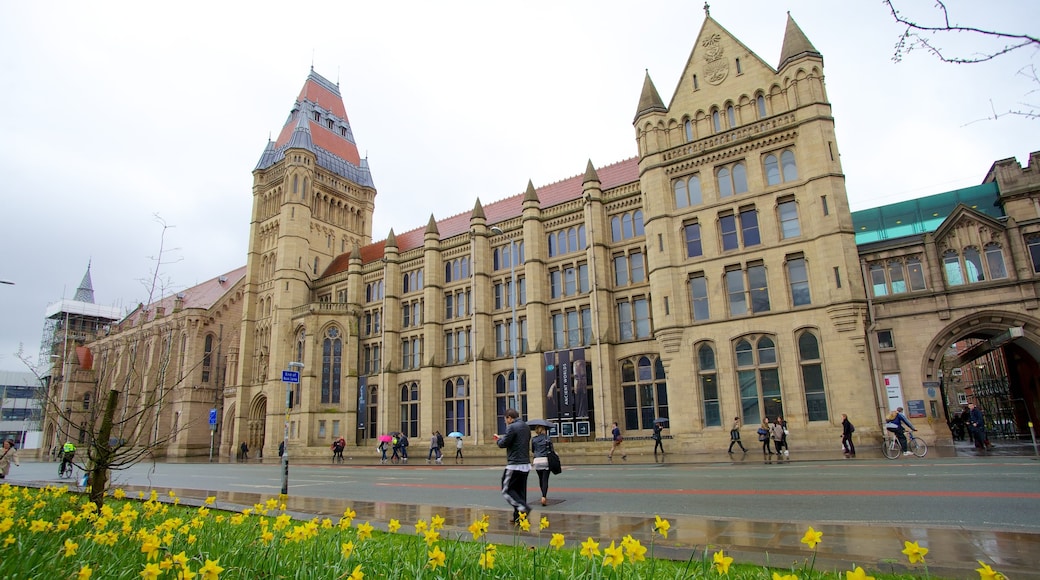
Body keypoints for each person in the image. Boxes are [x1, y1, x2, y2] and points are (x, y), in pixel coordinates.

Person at [494, 408, 531, 523]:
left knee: (507, 489)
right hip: (525, 463)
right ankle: (519, 518)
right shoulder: (526, 426)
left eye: (506, 419)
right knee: (520, 491)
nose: (505, 422)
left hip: (514, 464)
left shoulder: (512, 427)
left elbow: (504, 443)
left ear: (509, 418)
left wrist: (498, 440)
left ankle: (522, 507)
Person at [531, 424, 553, 506]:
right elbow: (551, 449)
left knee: (540, 479)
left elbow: (533, 450)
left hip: (537, 460)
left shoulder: (534, 439)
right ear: (543, 430)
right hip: (545, 460)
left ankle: (542, 494)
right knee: (545, 479)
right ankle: (544, 496)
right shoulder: (547, 438)